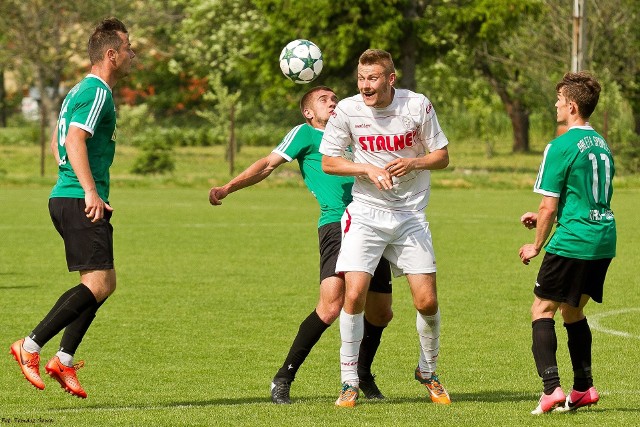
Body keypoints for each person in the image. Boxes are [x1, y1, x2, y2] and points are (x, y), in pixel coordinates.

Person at [208, 86, 394, 404]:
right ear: (308, 112)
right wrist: (228, 187)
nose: (333, 103)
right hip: (336, 224)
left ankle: (362, 375)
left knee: (381, 313)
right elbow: (267, 164)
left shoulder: (355, 133)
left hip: (374, 223)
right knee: (332, 304)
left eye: (335, 99)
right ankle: (283, 378)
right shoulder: (305, 134)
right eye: (324, 100)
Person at [10, 17, 135, 399]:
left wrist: (74, 180)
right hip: (78, 198)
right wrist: (89, 190)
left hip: (67, 195)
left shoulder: (78, 90)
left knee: (104, 283)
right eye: (129, 48)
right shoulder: (97, 91)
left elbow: (58, 142)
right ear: (111, 55)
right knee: (97, 283)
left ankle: (63, 359)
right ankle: (29, 347)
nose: (133, 55)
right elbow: (76, 140)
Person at [319, 49, 451, 408]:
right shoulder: (347, 110)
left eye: (373, 78)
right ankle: (349, 382)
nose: (365, 86)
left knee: (427, 301)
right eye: (361, 79)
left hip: (410, 216)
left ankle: (428, 370)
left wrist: (414, 162)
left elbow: (442, 156)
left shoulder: (417, 105)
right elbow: (330, 162)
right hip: (366, 214)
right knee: (354, 296)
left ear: (390, 79)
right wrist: (366, 169)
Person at [519, 71, 616, 415]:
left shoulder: (559, 145)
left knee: (541, 309)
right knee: (572, 310)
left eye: (559, 100)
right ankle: (584, 387)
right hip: (602, 238)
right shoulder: (601, 143)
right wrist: (548, 214)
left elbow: (549, 204)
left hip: (574, 239)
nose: (556, 105)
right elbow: (584, 196)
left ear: (572, 106)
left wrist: (536, 244)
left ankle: (551, 390)